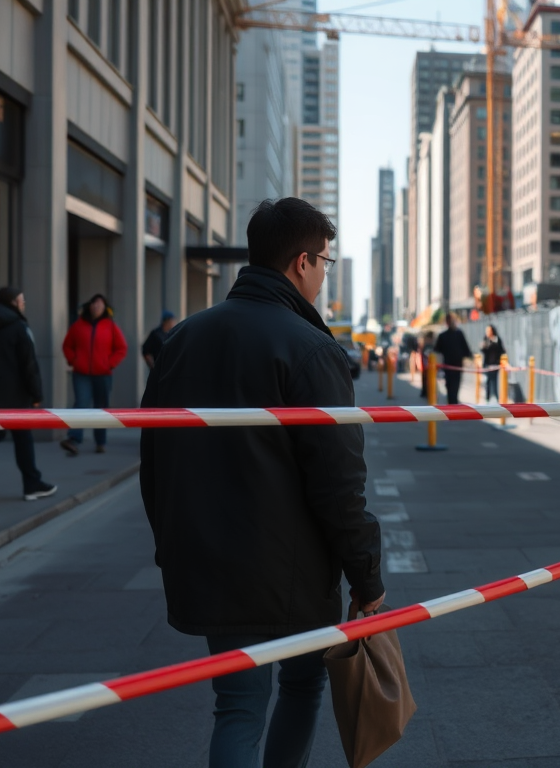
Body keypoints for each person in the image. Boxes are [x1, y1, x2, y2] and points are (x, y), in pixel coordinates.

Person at [140, 197, 384, 768]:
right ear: (302, 262)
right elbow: (339, 485)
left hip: (205, 558)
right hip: (291, 571)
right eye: (325, 262)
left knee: (238, 705)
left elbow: (153, 460)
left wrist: (170, 547)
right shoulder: (312, 349)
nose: (325, 274)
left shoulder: (182, 340)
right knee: (301, 686)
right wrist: (367, 579)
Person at [0, 287, 57, 501]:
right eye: (21, 301)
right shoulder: (19, 327)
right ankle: (32, 484)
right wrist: (36, 394)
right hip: (15, 397)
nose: (23, 305)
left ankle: (33, 482)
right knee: (23, 438)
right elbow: (29, 365)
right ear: (12, 303)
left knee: (4, 435)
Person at [60, 294, 128, 455]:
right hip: (81, 373)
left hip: (103, 374)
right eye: (94, 304)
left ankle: (100, 441)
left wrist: (109, 364)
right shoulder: (78, 326)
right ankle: (74, 439)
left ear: (105, 308)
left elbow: (121, 348)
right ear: (89, 306)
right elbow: (67, 346)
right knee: (80, 406)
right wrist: (73, 361)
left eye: (100, 304)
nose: (96, 307)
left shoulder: (110, 326)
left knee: (101, 409)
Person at [433, 313, 472, 405]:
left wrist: (468, 356)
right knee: (451, 384)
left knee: (453, 384)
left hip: (454, 364)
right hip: (450, 364)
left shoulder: (457, 334)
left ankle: (453, 400)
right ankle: (452, 401)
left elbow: (465, 348)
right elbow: (437, 349)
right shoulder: (444, 335)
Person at [479, 324, 506, 403]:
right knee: (487, 382)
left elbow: (501, 350)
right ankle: (487, 399)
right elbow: (483, 350)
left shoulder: (497, 340)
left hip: (495, 365)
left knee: (494, 382)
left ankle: (496, 399)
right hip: (487, 365)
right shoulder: (486, 339)